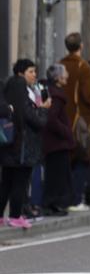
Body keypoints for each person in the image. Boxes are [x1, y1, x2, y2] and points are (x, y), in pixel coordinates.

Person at [1, 60, 49, 229]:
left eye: (35, 71)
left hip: (10, 142)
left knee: (6, 181)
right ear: (21, 73)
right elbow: (33, 119)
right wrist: (43, 109)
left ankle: (1, 216)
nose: (34, 75)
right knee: (20, 181)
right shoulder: (22, 89)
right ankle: (15, 216)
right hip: (23, 145)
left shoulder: (8, 88)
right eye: (31, 71)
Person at [61, 33, 90, 212]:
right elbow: (88, 95)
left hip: (62, 119)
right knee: (83, 158)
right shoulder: (84, 66)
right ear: (81, 46)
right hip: (80, 120)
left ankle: (65, 198)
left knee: (66, 160)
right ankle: (76, 199)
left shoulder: (60, 64)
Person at [40, 64, 73, 217]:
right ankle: (50, 204)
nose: (67, 75)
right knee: (56, 175)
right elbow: (52, 119)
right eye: (65, 72)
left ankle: (53, 204)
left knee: (56, 174)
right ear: (58, 77)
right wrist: (66, 131)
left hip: (53, 142)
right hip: (57, 143)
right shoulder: (57, 96)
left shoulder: (52, 92)